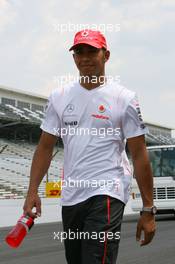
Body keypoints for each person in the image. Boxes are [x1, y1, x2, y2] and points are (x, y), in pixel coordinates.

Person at [23, 29, 156, 264]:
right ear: (73, 58)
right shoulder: (59, 96)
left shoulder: (124, 98)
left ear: (106, 55)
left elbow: (139, 153)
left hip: (107, 191)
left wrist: (148, 208)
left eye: (92, 51)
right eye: (79, 52)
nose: (85, 57)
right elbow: (45, 147)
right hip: (72, 195)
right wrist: (32, 191)